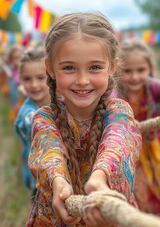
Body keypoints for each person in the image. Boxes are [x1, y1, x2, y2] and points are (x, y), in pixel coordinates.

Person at [26, 12, 142, 227]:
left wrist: (100, 179)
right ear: (50, 68)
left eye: (95, 67)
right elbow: (49, 152)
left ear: (112, 68)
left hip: (108, 215)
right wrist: (59, 182)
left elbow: (119, 144)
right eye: (69, 68)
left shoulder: (119, 111)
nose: (82, 80)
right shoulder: (44, 117)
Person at [115, 38, 160, 214]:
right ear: (117, 70)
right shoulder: (115, 95)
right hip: (129, 154)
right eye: (128, 71)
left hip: (155, 148)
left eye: (140, 70)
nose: (134, 77)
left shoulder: (155, 88)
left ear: (149, 68)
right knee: (138, 193)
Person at [14, 46, 50, 201]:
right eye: (27, 79)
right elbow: (37, 125)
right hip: (40, 181)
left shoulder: (62, 102)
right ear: (21, 79)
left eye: (40, 78)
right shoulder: (27, 113)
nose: (34, 85)